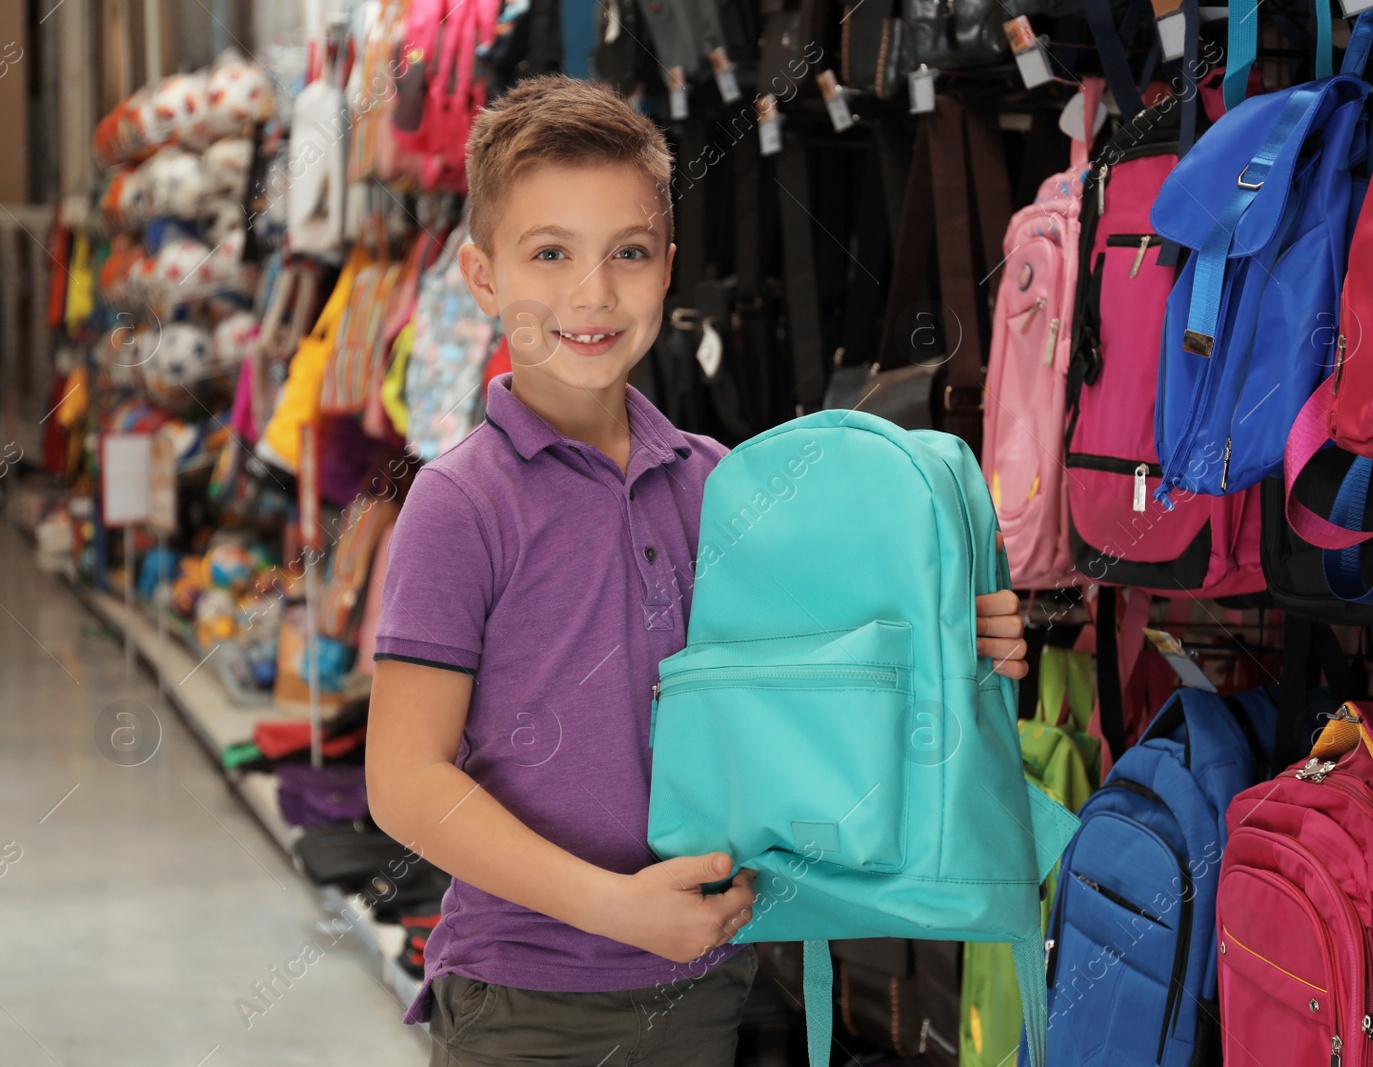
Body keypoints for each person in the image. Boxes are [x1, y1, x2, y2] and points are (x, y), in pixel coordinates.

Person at [364, 74, 1030, 1067]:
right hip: (530, 997)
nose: (592, 293)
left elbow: (808, 685)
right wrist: (615, 906)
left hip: (710, 974)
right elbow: (404, 781)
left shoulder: (722, 483)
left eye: (627, 253)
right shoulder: (460, 503)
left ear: (668, 268)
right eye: (550, 252)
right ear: (482, 276)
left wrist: (950, 636)